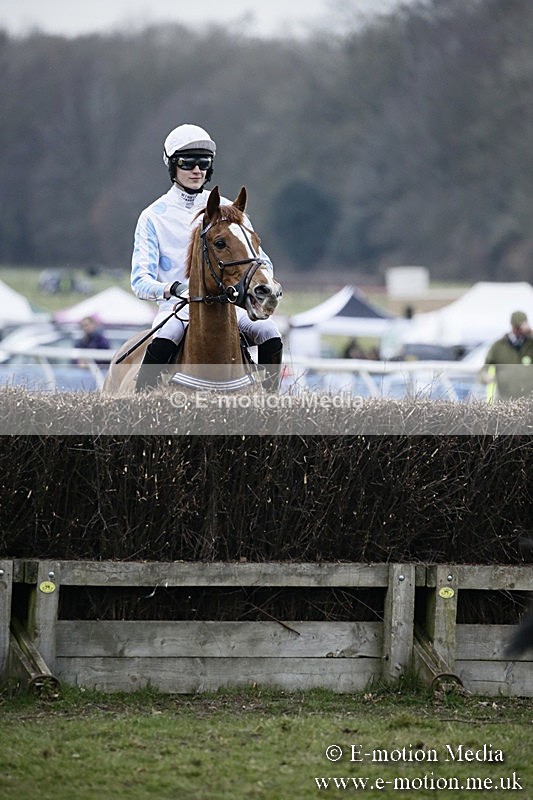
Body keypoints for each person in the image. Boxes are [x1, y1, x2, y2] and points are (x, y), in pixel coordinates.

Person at [131, 123, 283, 391]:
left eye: (203, 162)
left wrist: (263, 282)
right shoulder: (153, 216)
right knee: (165, 338)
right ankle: (139, 406)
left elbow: (261, 260)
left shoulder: (229, 210)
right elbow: (140, 281)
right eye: (187, 162)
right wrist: (173, 289)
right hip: (177, 310)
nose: (197, 169)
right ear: (173, 167)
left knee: (271, 333)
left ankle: (272, 403)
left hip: (227, 306)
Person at [480, 310, 533, 400]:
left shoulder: (530, 344)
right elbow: (485, 368)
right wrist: (485, 376)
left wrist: (531, 333)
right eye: (517, 328)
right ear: (512, 325)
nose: (519, 331)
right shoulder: (499, 346)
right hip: (505, 399)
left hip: (528, 400)